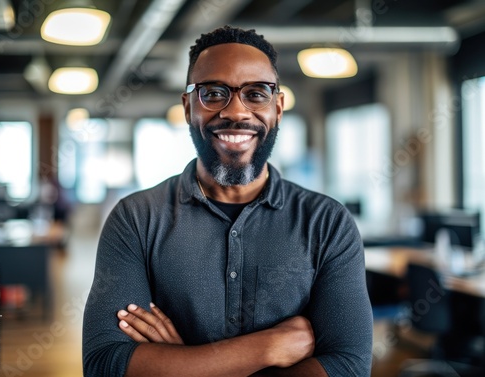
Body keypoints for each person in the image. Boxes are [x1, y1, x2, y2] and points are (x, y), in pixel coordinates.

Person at [83, 25, 373, 376]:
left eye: (256, 93)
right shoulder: (136, 219)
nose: (236, 112)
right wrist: (266, 348)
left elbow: (349, 366)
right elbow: (104, 364)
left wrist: (185, 362)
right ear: (188, 105)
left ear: (278, 107)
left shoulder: (328, 223)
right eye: (214, 93)